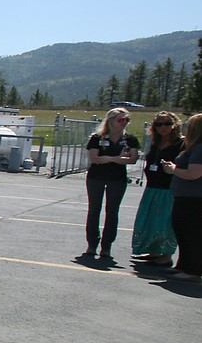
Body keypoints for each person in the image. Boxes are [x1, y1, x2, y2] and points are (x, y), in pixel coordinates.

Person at [84, 107, 140, 259]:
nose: (124, 123)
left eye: (127, 120)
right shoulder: (97, 138)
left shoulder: (130, 139)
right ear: (110, 121)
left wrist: (109, 158)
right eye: (121, 120)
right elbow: (95, 158)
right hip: (96, 177)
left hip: (117, 178)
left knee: (112, 211)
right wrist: (119, 158)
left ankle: (107, 246)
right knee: (94, 209)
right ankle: (92, 244)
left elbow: (133, 159)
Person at [131, 111, 183, 266]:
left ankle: (166, 255)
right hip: (152, 188)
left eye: (167, 123)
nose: (163, 127)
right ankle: (153, 252)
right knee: (150, 220)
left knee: (166, 223)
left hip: (169, 189)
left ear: (174, 125)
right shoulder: (155, 143)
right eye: (159, 124)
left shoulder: (181, 144)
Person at [160, 113, 202, 284]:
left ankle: (193, 270)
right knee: (182, 231)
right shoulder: (193, 147)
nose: (184, 127)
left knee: (192, 234)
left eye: (188, 125)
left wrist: (173, 169)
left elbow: (194, 173)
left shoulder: (199, 149)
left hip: (194, 199)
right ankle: (183, 265)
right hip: (185, 197)